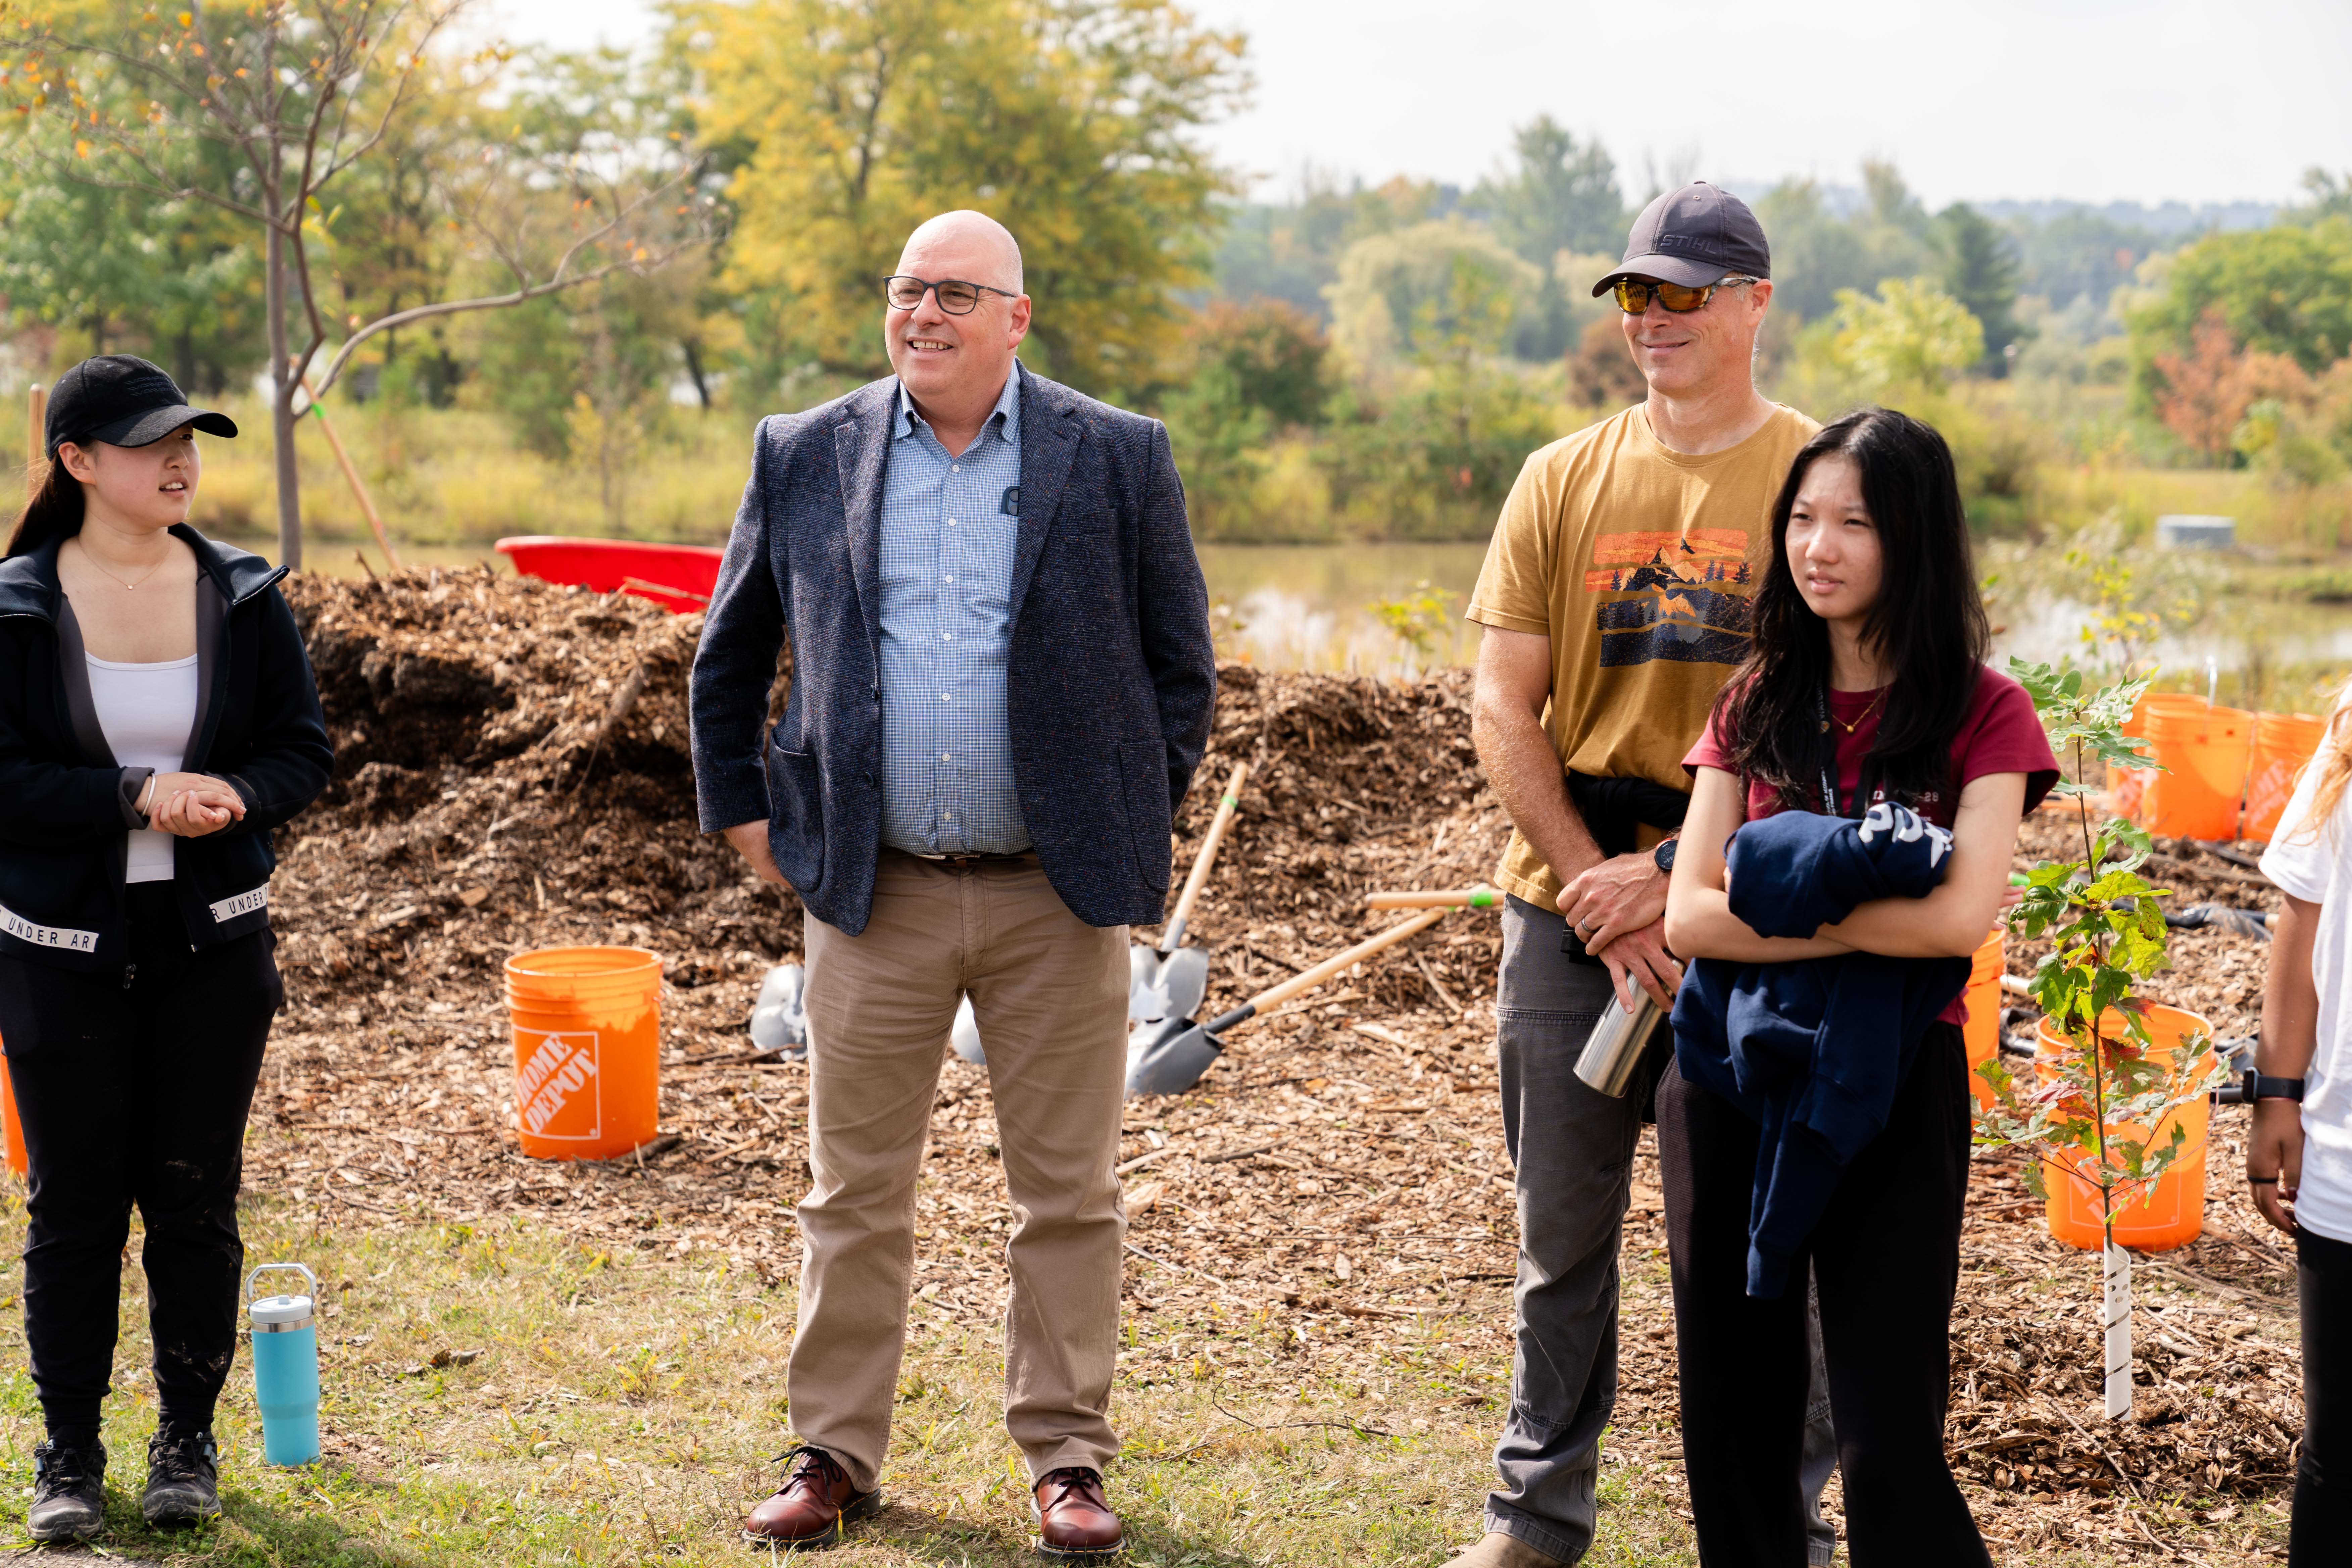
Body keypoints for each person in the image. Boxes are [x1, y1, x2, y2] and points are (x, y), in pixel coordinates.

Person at [690, 210, 1215, 1556]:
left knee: (1069, 1197)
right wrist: (751, 822)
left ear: (1016, 318)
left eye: (956, 294)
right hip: (875, 894)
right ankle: (831, 1452)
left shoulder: (1117, 453)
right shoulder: (805, 450)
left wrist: (1120, 816)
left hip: (1057, 897)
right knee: (852, 1192)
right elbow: (730, 655)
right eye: (907, 288)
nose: (922, 313)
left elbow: (1182, 668)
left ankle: (1067, 1458)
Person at [1457, 182, 1840, 1568]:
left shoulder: (1819, 481)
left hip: (1747, 907)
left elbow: (1841, 718)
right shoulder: (1559, 477)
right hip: (1568, 911)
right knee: (1560, 1240)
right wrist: (1593, 884)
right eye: (1634, 292)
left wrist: (1675, 875)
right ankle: (1534, 1517)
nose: (1652, 317)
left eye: (1682, 292)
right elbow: (1503, 703)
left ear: (1756, 302)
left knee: (1765, 1241)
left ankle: (1780, 1526)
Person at [1660, 408, 2056, 1566]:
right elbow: (1687, 916)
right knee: (1734, 1404)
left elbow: (1961, 920)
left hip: (1894, 1079)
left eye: (1855, 524)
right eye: (1802, 518)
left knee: (1887, 1428)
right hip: (1730, 1069)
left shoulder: (1986, 710)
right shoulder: (1756, 700)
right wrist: (1860, 926)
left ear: (1914, 539)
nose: (1817, 548)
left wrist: (1780, 904)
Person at [0, 355, 332, 1540]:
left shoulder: (241, 594)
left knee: (195, 1200)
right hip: (58, 952)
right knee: (75, 1207)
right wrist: (134, 795)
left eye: (189, 440)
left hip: (212, 948)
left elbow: (303, 749)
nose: (180, 461)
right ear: (78, 462)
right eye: (151, 444)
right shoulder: (16, 605)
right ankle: (70, 1454)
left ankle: (186, 1441)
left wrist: (236, 795)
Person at [2251, 690, 2352, 1562]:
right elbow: (2305, 911)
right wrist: (2277, 1093)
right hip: (2346, 1161)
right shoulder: (2351, 727)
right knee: (2340, 1458)